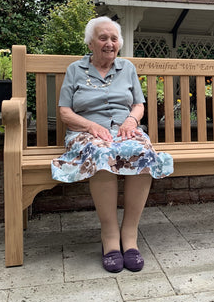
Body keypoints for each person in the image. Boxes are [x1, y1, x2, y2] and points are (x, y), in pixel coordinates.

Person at [51, 16, 173, 273]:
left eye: (114, 38)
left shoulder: (127, 68)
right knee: (101, 154)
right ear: (90, 43)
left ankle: (129, 236)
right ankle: (109, 237)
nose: (109, 43)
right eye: (102, 38)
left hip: (124, 131)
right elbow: (64, 112)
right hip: (87, 133)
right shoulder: (76, 69)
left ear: (119, 43)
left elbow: (139, 105)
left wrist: (130, 121)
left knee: (141, 151)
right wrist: (91, 126)